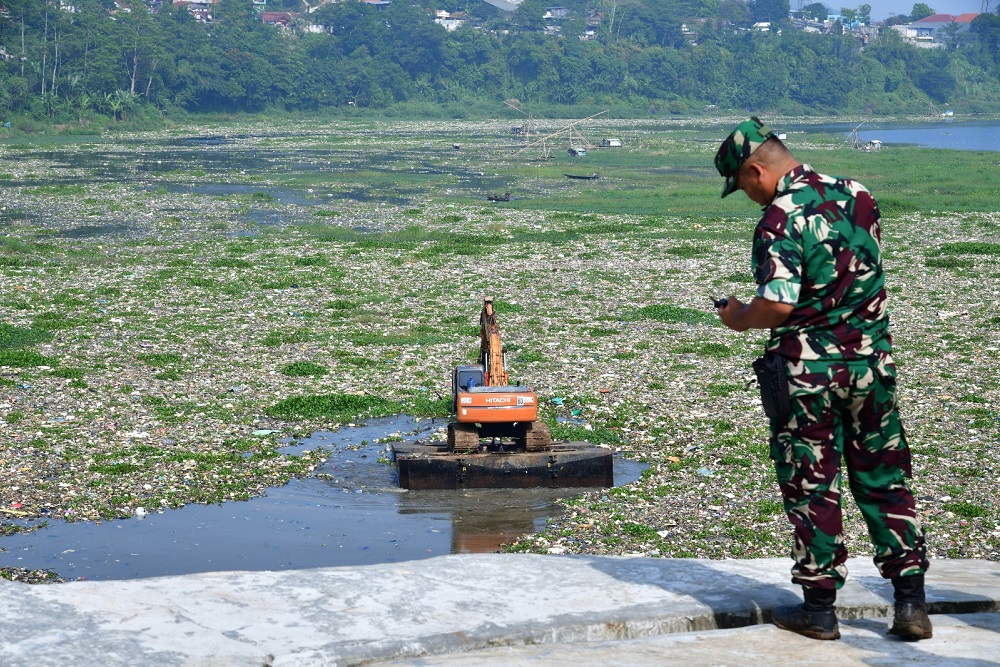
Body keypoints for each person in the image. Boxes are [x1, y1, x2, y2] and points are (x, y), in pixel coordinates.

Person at [713, 118, 931, 642]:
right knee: (885, 479)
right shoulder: (858, 195)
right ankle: (909, 604)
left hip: (808, 374)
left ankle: (819, 611)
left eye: (743, 184)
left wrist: (739, 315)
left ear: (755, 169)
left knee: (813, 485)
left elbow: (778, 304)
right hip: (871, 367)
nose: (747, 195)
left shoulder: (779, 218)